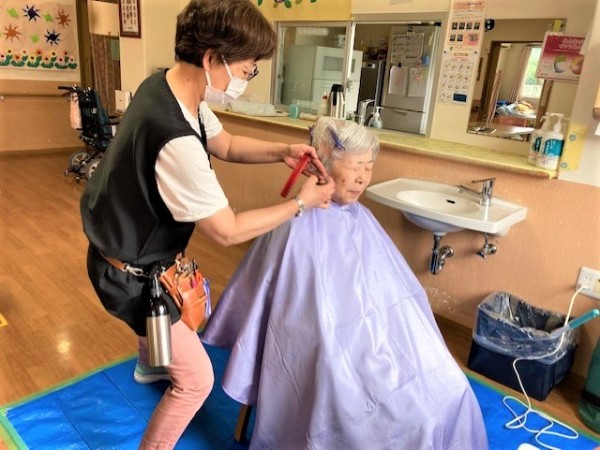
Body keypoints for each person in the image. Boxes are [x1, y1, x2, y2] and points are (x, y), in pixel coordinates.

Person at [79, 0, 334, 448]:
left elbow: (227, 143)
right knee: (196, 382)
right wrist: (302, 203)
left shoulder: (168, 87)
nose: (247, 79)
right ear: (212, 59)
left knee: (167, 321)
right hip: (127, 274)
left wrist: (282, 151)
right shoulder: (175, 138)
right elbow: (227, 230)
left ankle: (149, 363)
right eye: (247, 69)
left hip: (120, 246)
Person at [202, 117, 489, 450]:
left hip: (384, 340)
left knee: (454, 388)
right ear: (323, 162)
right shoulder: (295, 227)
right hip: (336, 346)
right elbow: (303, 323)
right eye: (354, 167)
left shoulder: (361, 219)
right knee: (408, 418)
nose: (362, 178)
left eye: (369, 167)